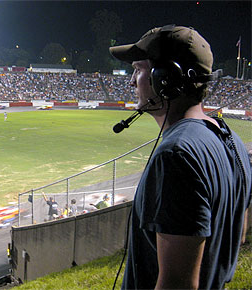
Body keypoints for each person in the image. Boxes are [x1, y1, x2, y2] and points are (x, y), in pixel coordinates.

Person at [109, 25, 251, 289]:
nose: (131, 81)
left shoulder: (176, 155)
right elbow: (237, 236)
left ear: (166, 78)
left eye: (138, 69)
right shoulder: (233, 141)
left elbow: (178, 283)